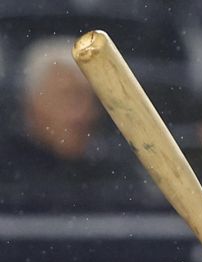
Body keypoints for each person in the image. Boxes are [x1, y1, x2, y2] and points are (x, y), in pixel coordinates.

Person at [0, 36, 137, 209]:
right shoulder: (6, 175)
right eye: (69, 97)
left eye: (91, 99)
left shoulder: (118, 175)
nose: (84, 113)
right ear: (32, 105)